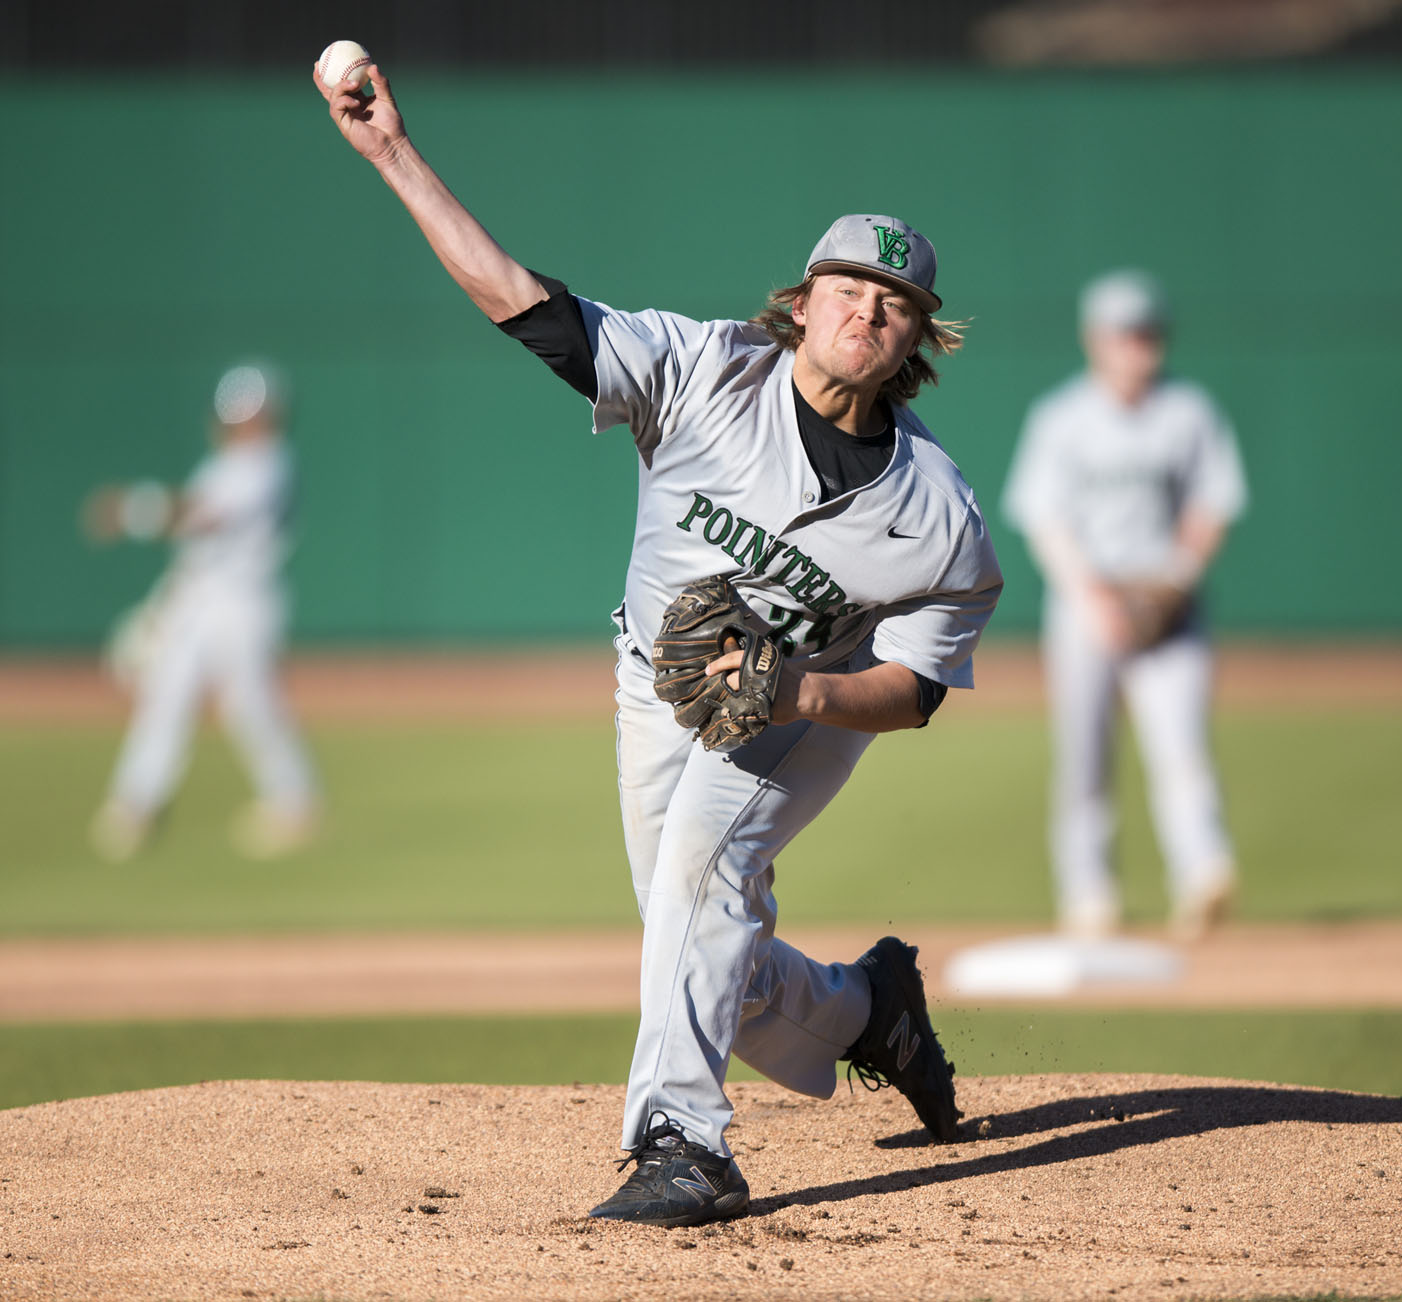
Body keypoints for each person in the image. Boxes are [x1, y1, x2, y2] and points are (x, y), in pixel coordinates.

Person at [314, 63, 1003, 1228]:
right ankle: (869, 1011)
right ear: (803, 298)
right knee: (698, 946)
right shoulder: (696, 372)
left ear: (916, 342)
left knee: (701, 873)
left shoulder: (939, 516)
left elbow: (918, 691)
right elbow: (523, 304)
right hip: (654, 684)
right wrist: (391, 155)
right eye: (847, 285)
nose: (865, 310)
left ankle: (684, 1144)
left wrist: (802, 691)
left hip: (802, 714)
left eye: (894, 304)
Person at [1002, 270, 1248, 941]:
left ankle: (1203, 873)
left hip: (1169, 605)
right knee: (1085, 756)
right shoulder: (1062, 416)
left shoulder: (1188, 411)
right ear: (1097, 339)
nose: (1140, 343)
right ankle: (1090, 893)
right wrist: (1095, 599)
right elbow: (1044, 519)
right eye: (1126, 332)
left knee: (1182, 745)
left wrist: (1175, 581)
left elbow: (1213, 502)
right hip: (1088, 604)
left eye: (1148, 331)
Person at [86, 363, 320, 862]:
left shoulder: (268, 462)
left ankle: (295, 802)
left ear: (264, 414)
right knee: (167, 694)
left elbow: (204, 516)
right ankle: (135, 804)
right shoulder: (227, 463)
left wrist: (132, 509)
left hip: (241, 601)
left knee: (249, 704)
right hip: (200, 598)